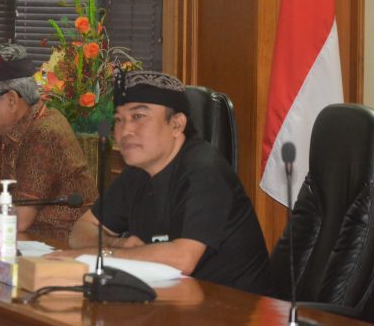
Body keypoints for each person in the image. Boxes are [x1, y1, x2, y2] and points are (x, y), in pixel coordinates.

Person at [49, 70, 270, 294]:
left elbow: (183, 259)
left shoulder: (205, 170)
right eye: (119, 119)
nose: (125, 130)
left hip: (231, 305)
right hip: (172, 297)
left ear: (177, 124)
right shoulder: (138, 171)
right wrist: (117, 244)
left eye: (138, 116)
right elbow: (81, 230)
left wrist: (99, 254)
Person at [0, 44, 98, 240]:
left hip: (61, 246)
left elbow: (19, 220)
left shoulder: (45, 132)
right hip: (22, 241)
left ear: (12, 100)